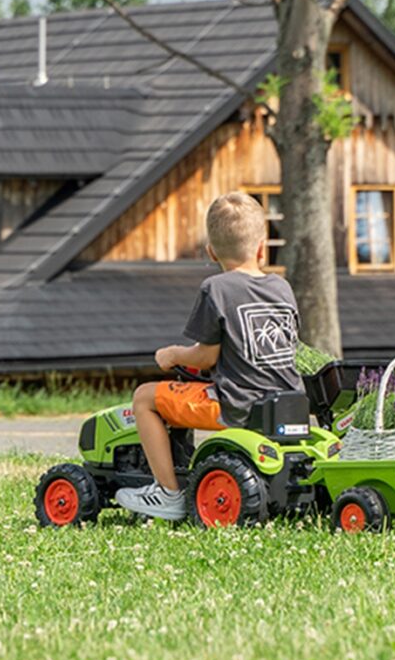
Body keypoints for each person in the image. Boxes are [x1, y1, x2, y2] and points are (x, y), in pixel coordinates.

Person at [115, 192, 302, 520]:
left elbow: (204, 357)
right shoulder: (282, 287)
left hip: (237, 404)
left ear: (211, 251)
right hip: (287, 402)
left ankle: (168, 492)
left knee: (145, 398)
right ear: (262, 247)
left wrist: (173, 354)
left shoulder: (216, 288)